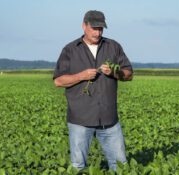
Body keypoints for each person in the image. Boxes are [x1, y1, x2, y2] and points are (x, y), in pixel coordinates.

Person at [53, 10, 133, 171]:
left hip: (109, 119)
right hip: (80, 119)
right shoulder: (70, 50)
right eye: (94, 28)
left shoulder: (113, 47)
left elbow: (129, 74)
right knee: (77, 166)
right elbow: (58, 81)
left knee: (120, 166)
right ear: (84, 26)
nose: (97, 32)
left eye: (101, 29)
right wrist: (81, 76)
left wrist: (115, 72)